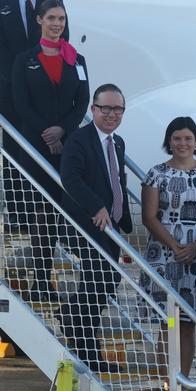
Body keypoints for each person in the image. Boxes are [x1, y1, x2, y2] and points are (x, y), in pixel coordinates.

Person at [10, 0, 89, 299]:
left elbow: (82, 102)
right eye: (52, 18)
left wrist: (63, 130)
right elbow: (21, 103)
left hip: (68, 145)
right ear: (40, 20)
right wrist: (48, 133)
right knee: (41, 211)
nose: (58, 24)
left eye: (62, 19)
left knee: (64, 210)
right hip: (35, 145)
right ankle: (42, 279)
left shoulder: (76, 60)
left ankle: (79, 279)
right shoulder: (25, 60)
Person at [141, 117, 196, 388]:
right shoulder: (156, 174)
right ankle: (167, 385)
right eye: (177, 138)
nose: (182, 143)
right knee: (168, 324)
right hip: (165, 257)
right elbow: (149, 217)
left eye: (188, 138)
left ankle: (184, 384)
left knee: (188, 324)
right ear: (169, 141)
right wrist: (175, 246)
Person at [0, 0, 67, 225]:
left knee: (46, 148)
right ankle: (19, 213)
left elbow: (61, 46)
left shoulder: (54, 4)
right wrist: (21, 80)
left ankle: (47, 213)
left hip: (46, 96)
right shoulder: (1, 5)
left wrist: (40, 81)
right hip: (11, 93)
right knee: (12, 152)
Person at [59, 84, 133, 371]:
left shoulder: (118, 143)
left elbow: (117, 179)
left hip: (110, 227)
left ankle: (70, 317)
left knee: (105, 284)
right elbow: (71, 179)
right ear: (93, 110)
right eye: (106, 108)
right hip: (85, 224)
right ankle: (89, 352)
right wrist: (97, 207)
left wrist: (122, 215)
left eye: (118, 109)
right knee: (95, 285)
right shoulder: (79, 140)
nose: (112, 114)